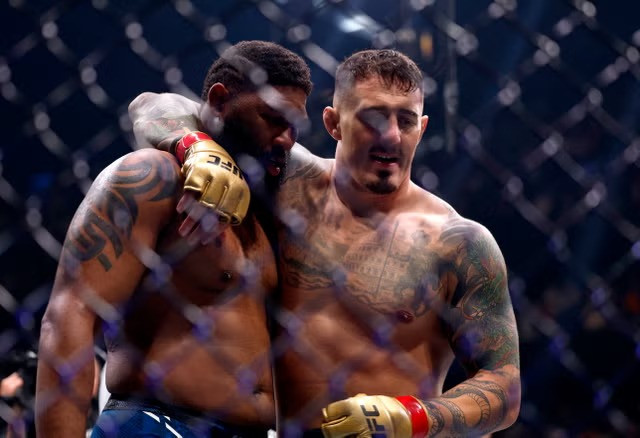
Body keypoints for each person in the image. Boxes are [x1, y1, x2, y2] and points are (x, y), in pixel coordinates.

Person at [129, 49, 521, 437]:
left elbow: (504, 388)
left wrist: (412, 417)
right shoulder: (287, 184)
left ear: (422, 127)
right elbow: (153, 105)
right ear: (333, 123)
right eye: (373, 117)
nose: (391, 135)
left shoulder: (457, 242)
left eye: (406, 120)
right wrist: (195, 145)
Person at [35, 40, 312, 437]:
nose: (287, 139)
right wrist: (193, 142)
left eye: (294, 127)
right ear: (219, 101)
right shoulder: (154, 177)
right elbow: (70, 316)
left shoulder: (269, 211)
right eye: (272, 118)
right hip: (157, 424)